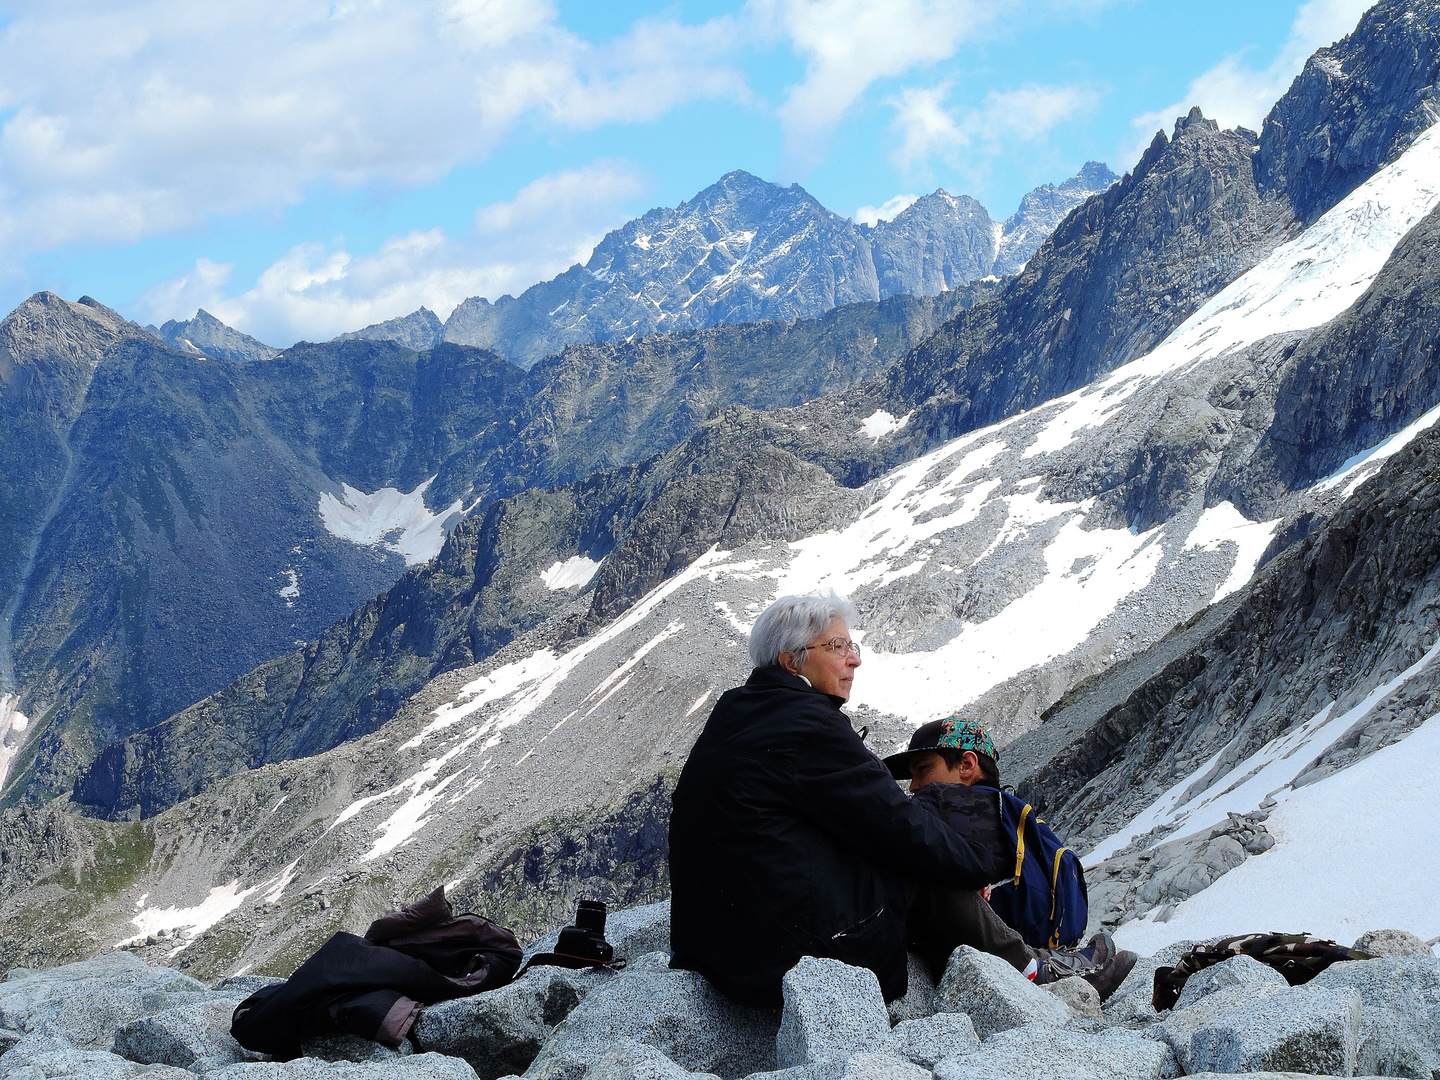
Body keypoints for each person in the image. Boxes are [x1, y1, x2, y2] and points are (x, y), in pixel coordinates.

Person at [668, 592, 998, 1008]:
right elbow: (896, 821)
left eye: (851, 646)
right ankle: (1028, 969)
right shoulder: (809, 723)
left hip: (713, 947)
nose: (853, 659)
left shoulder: (737, 709)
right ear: (791, 661)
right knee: (923, 864)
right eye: (836, 646)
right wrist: (977, 866)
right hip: (781, 959)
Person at [885, 717, 1138, 998]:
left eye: (922, 770)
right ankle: (1054, 961)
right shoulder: (1005, 809)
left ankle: (1039, 968)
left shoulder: (940, 801)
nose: (914, 786)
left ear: (967, 765)